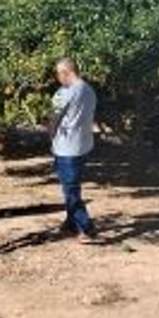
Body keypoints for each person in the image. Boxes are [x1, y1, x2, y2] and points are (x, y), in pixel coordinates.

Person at [48, 57, 99, 242]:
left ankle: (86, 228)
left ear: (66, 72)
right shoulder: (89, 90)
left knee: (71, 190)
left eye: (58, 73)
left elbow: (54, 118)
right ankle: (70, 223)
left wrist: (50, 136)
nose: (57, 77)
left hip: (66, 147)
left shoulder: (65, 92)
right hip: (83, 145)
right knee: (70, 186)